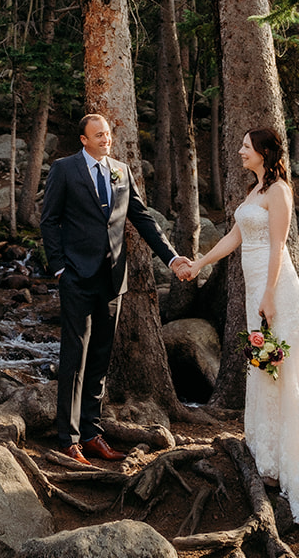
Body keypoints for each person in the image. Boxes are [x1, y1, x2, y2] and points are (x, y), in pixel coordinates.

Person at [189, 127, 299, 529]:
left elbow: (278, 246)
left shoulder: (279, 192)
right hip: (255, 287)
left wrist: (268, 295)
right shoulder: (254, 192)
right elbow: (235, 237)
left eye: (246, 147)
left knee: (284, 363)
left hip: (275, 287)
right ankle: (267, 456)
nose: (239, 150)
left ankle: (293, 458)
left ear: (265, 153)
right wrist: (199, 264)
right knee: (263, 364)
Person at [40, 112, 194, 463]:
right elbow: (49, 220)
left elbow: (142, 219)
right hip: (76, 277)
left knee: (99, 360)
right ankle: (69, 439)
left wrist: (171, 259)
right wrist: (60, 268)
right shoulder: (65, 169)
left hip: (112, 280)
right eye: (98, 135)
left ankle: (93, 434)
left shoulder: (121, 171)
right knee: (73, 360)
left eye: (108, 134)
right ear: (84, 139)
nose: (105, 139)